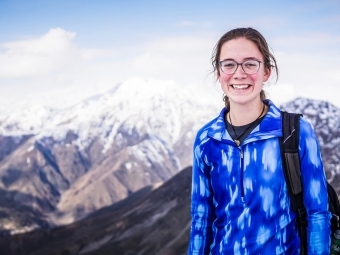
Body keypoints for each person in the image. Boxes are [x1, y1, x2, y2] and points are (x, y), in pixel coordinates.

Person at [188, 27, 331, 254]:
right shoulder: (207, 139)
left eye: (250, 63)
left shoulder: (295, 132)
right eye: (229, 64)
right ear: (218, 73)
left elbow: (318, 214)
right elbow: (201, 219)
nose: (239, 73)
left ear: (266, 72)